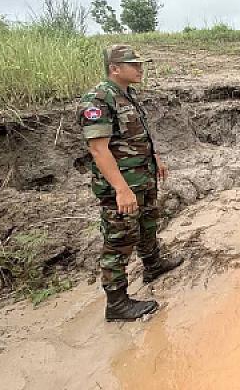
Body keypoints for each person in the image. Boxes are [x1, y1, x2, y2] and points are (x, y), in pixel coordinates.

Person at [77, 45, 183, 322]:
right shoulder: (98, 100)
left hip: (143, 178)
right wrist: (121, 189)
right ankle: (117, 304)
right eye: (134, 64)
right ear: (115, 68)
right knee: (119, 240)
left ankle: (153, 265)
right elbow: (99, 150)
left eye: (140, 64)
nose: (140, 69)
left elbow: (139, 135)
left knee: (148, 222)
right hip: (121, 185)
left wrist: (156, 158)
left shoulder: (127, 95)